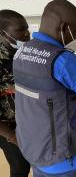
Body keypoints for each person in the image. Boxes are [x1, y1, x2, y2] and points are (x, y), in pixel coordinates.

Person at [12, 0, 76, 177]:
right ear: (65, 28)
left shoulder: (21, 52)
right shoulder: (62, 60)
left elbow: (49, 93)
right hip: (66, 161)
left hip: (36, 151)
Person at [0, 9, 31, 177]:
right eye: (20, 30)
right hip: (8, 128)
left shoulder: (22, 54)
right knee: (20, 167)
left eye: (26, 28)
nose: (26, 34)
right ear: (2, 33)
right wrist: (12, 137)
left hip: (28, 123)